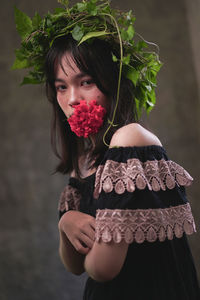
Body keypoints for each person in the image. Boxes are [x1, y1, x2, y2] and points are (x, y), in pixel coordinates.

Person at [13, 1, 200, 299]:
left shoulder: (131, 139)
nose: (72, 98)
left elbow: (102, 269)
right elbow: (74, 265)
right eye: (61, 87)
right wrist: (66, 223)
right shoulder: (84, 161)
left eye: (85, 82)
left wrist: (75, 228)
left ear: (113, 83)